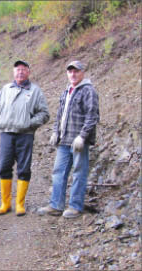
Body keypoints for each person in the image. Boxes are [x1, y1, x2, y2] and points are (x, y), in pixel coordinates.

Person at [38, 61, 99, 219]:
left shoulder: (88, 91)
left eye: (76, 71)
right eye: (70, 71)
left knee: (79, 173)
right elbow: (59, 115)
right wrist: (55, 132)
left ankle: (75, 206)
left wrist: (83, 136)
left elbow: (92, 116)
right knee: (58, 172)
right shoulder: (67, 91)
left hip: (79, 142)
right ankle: (56, 205)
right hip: (64, 140)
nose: (73, 74)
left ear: (82, 72)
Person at [0, 60, 49, 216]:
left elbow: (44, 114)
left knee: (24, 169)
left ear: (28, 72)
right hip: (6, 134)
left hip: (26, 135)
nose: (20, 72)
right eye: (17, 70)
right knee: (4, 167)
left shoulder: (36, 91)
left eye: (24, 69)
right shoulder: (5, 89)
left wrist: (29, 124)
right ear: (13, 72)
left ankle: (20, 204)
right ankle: (5, 203)